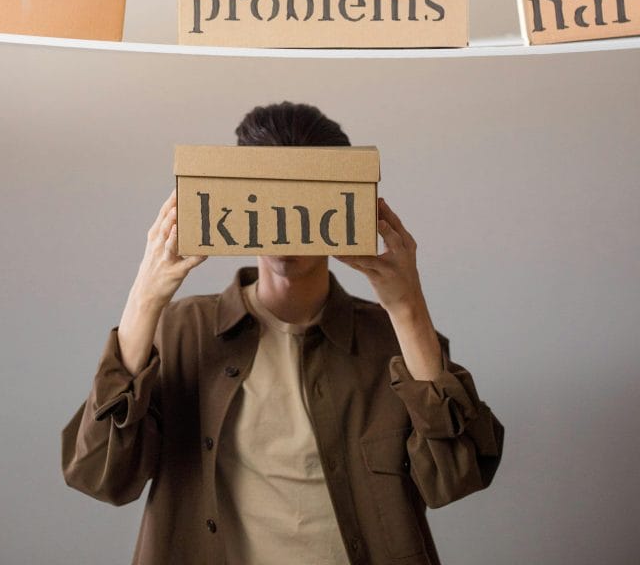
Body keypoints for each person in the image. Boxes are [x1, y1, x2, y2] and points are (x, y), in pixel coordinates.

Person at [62, 102, 503, 565]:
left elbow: (459, 478)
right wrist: (145, 297)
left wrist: (408, 307)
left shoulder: (391, 340)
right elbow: (99, 477)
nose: (285, 225)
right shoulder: (182, 331)